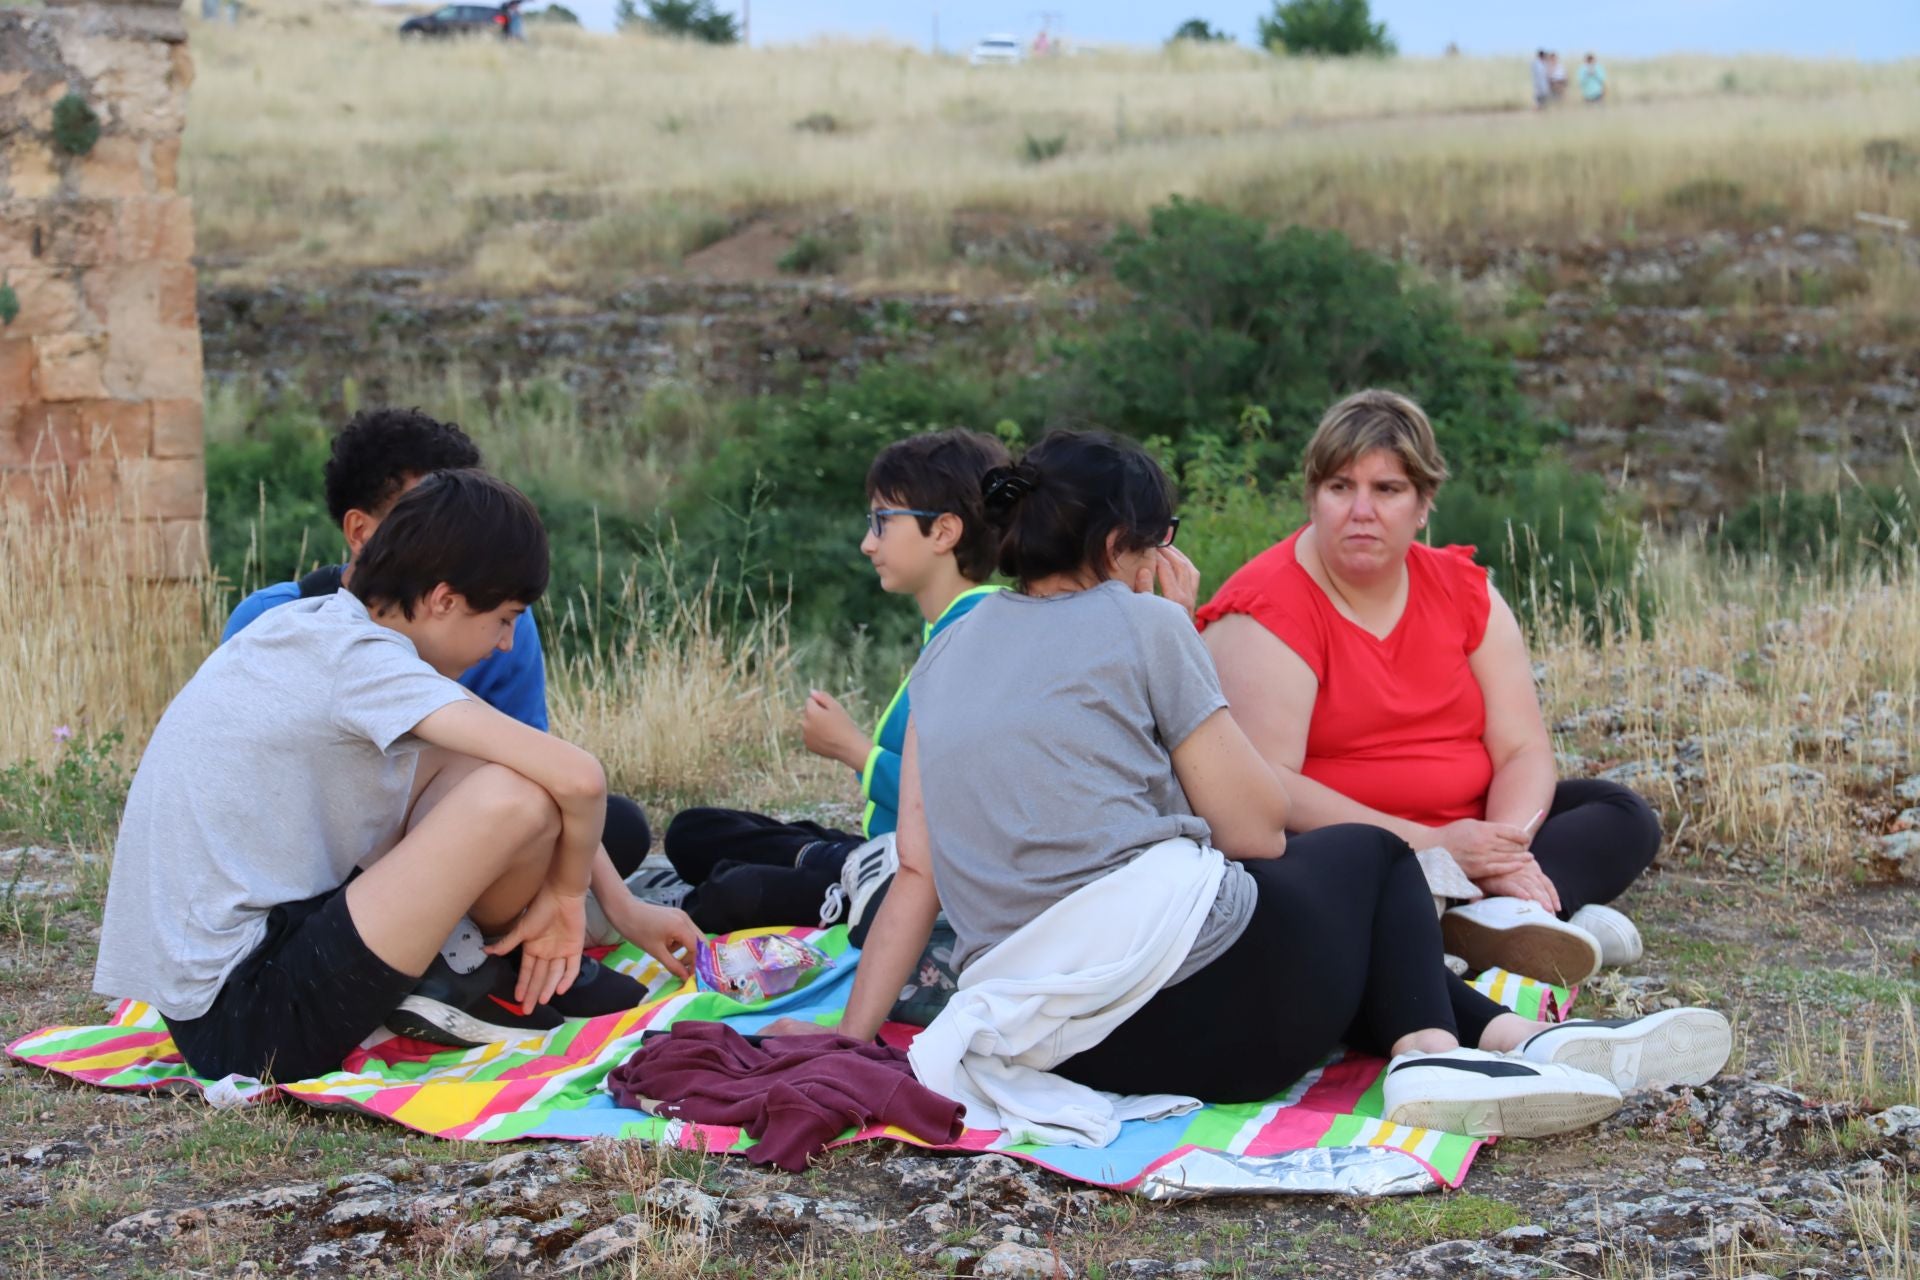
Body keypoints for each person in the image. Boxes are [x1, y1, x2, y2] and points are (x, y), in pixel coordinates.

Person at [765, 430, 1729, 1140]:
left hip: (1057, 1040)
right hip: (1218, 1033)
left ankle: (1522, 1039)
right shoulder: (1143, 626)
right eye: (1162, 536)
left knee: (1308, 924)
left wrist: (855, 1042)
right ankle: (1433, 1058)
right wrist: (1173, 630)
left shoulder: (945, 655)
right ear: (1119, 550)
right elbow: (1257, 829)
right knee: (1366, 856)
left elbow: (919, 876)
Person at [94, 471, 703, 1082]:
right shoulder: (366, 665)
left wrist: (623, 909)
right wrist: (569, 900)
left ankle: (489, 960)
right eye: (504, 618)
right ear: (444, 600)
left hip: (227, 988)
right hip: (252, 1026)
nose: (504, 643)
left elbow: (545, 769)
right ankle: (488, 968)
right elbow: (579, 777)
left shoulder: (313, 625)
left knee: (503, 774)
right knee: (517, 798)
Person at [1197, 390, 1661, 986]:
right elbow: (1267, 786)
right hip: (1352, 848)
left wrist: (1504, 849)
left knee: (1622, 814)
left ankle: (1492, 910)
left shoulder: (1464, 590)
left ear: (1423, 504)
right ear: (1313, 498)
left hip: (1470, 830)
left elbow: (1521, 748)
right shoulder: (1265, 608)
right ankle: (1510, 918)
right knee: (1292, 876)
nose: (1361, 510)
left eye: (1386, 489)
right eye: (1340, 487)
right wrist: (1435, 846)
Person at [221, 408, 662, 957]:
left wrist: (624, 906)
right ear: (360, 532)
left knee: (609, 826)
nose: (454, 543)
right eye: (422, 519)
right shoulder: (278, 622)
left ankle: (493, 942)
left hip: (451, 829)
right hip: (318, 866)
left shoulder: (497, 631)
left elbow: (542, 775)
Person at [662, 430, 1010, 935]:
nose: (867, 542)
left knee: (736, 893)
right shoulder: (951, 626)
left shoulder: (977, 638)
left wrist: (853, 750)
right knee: (695, 831)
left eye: (882, 523)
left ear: (944, 532)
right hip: (873, 853)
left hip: (917, 881)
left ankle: (675, 913)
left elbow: (955, 801)